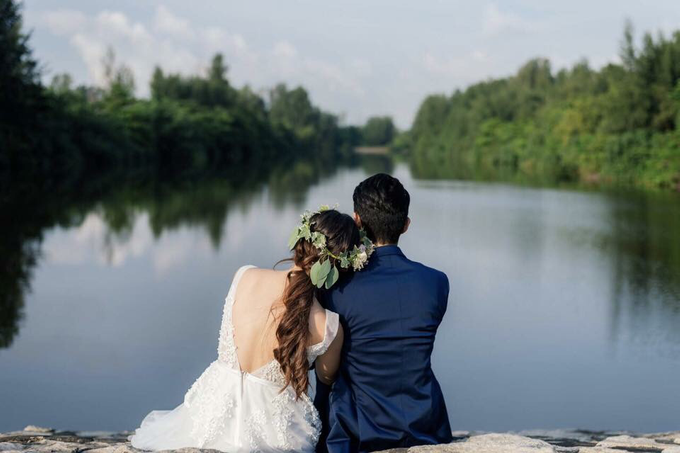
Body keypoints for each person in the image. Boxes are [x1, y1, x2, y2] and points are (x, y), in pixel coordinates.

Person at [130, 208, 373, 452]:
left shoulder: (245, 275)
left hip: (210, 410)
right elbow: (326, 377)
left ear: (301, 241)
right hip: (273, 430)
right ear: (340, 267)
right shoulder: (328, 325)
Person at [315, 174, 452, 453]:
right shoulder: (437, 282)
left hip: (358, 430)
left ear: (356, 221)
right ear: (406, 225)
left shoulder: (338, 287)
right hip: (426, 426)